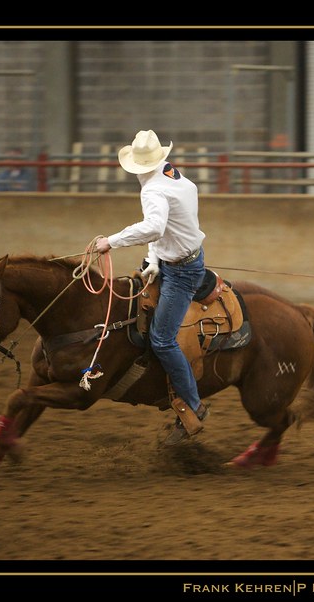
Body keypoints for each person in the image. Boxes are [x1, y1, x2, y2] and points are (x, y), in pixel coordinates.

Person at [94, 130, 209, 445]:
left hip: (181, 271)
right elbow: (167, 227)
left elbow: (155, 226)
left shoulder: (153, 190)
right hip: (178, 259)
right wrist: (154, 259)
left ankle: (193, 406)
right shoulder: (173, 175)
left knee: (162, 338)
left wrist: (111, 242)